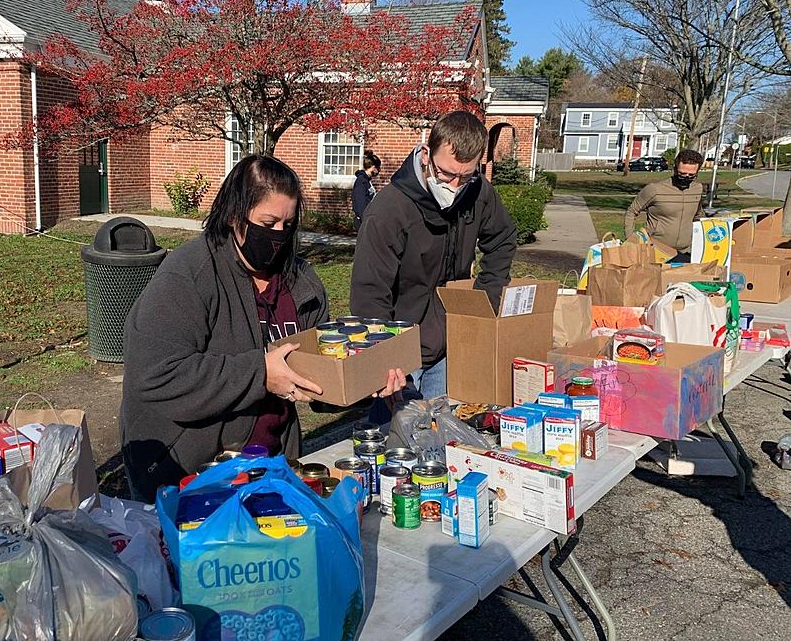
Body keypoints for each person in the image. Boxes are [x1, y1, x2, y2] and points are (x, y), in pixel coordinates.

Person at [120, 155, 405, 502]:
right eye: (267, 223)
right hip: (189, 471)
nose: (278, 236)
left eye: (288, 224)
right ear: (234, 216)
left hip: (272, 463)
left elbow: (317, 382)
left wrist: (362, 382)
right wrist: (259, 373)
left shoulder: (301, 282)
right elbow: (154, 376)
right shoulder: (187, 276)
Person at [350, 110, 517, 400]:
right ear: (426, 154)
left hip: (453, 343)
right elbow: (369, 292)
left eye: (465, 176)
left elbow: (502, 238)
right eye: (447, 174)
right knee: (397, 437)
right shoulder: (389, 211)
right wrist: (384, 357)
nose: (454, 186)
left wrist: (485, 298)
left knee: (442, 436)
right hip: (402, 355)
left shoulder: (479, 193)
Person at [623, 148, 705, 262]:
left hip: (686, 252)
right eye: (682, 173)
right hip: (655, 250)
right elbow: (632, 211)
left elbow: (699, 215)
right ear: (675, 169)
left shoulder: (698, 189)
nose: (686, 177)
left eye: (691, 175)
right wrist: (630, 240)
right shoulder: (655, 189)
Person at [352, 150, 381, 232]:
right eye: (378, 168)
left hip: (369, 219)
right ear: (373, 167)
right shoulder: (361, 181)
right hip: (363, 221)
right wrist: (365, 221)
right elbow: (360, 203)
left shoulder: (367, 180)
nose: (379, 170)